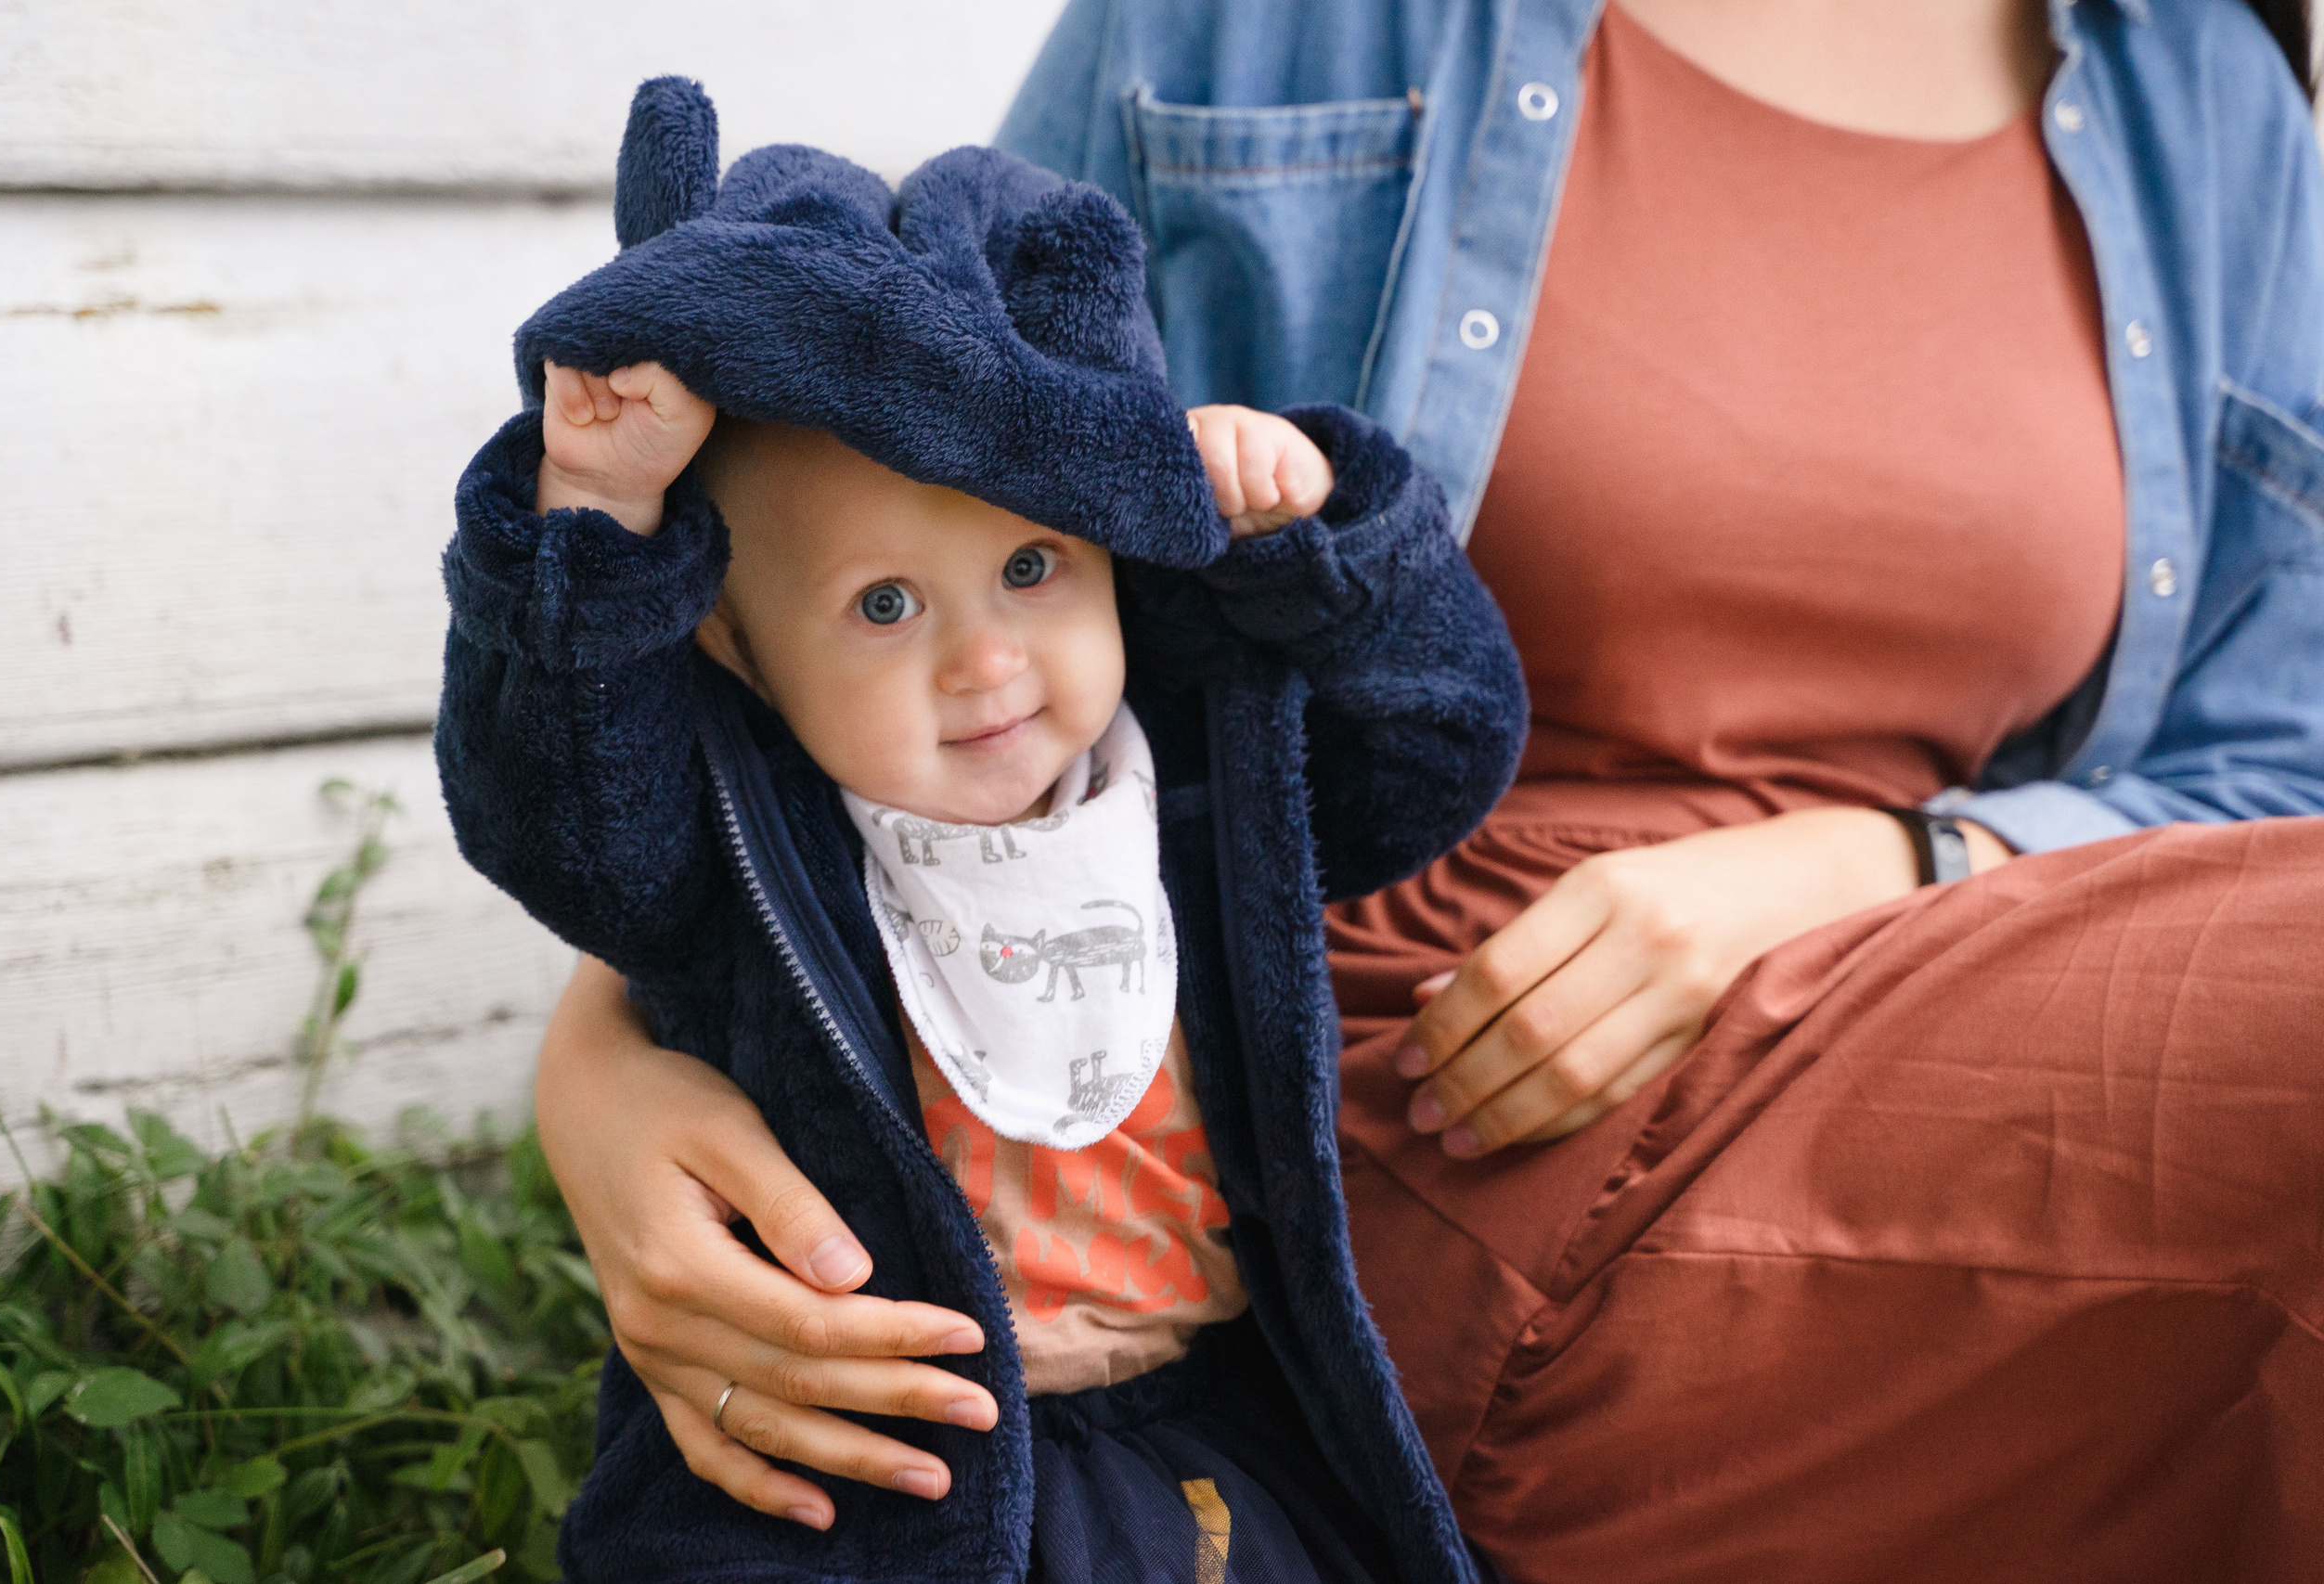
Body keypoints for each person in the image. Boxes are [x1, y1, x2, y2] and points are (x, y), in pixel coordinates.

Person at [525, 2, 2324, 1577]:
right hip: (1420, 1110)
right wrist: (602, 1054)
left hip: (1982, 997)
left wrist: (1871, 860)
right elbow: (873, 539)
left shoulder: (2210, 104)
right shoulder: (1256, 19)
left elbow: (2280, 751)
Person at [436, 79, 1526, 1584]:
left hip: (1192, 1413)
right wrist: (596, 518)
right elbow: (550, 825)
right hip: (867, 1454)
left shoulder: (1206, 779)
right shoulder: (737, 843)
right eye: (885, 606)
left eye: (1032, 564)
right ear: (739, 652)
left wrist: (1319, 546)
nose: (988, 661)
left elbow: (1440, 749)